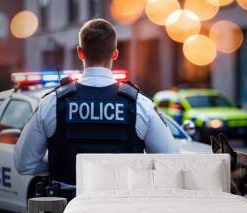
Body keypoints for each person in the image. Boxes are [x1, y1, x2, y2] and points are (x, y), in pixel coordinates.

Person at [14, 18, 178, 185]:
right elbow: (171, 161)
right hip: (123, 205)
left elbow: (23, 164)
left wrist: (59, 166)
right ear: (115, 53)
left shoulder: (52, 103)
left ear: (80, 52)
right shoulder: (139, 104)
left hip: (68, 206)